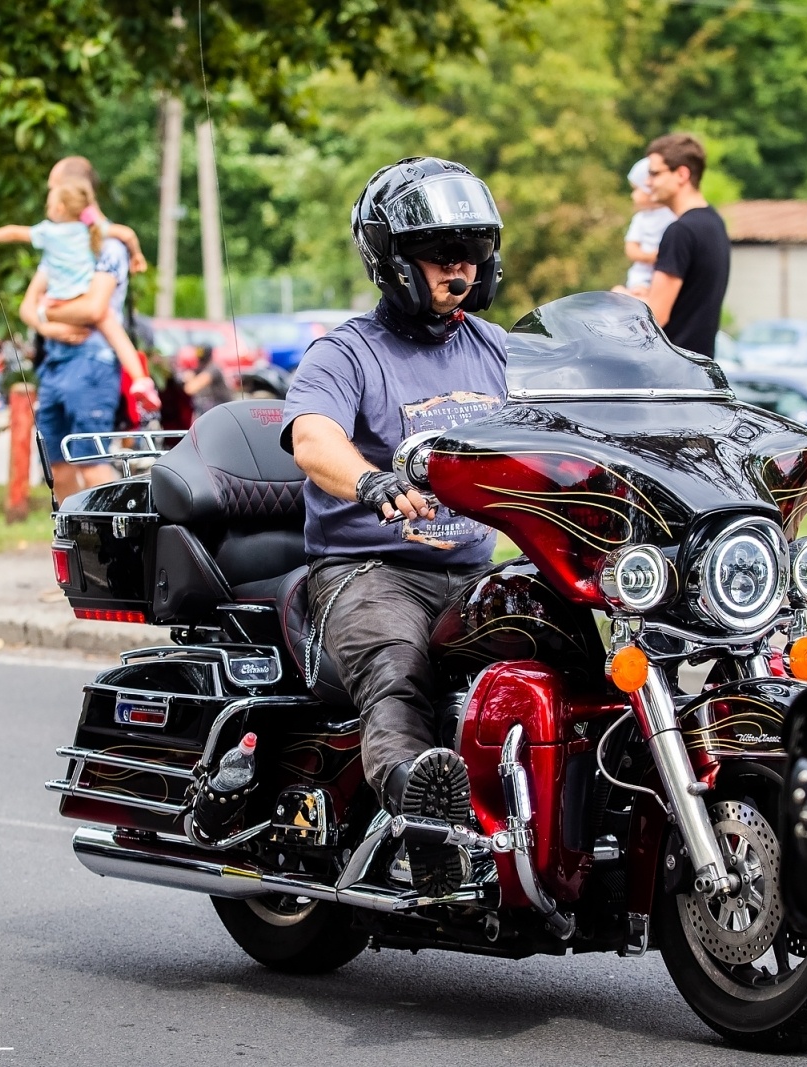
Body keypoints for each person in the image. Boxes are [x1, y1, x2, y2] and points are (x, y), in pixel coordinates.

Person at [281, 157, 507, 896]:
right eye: (442, 253)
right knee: (398, 667)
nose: (460, 268)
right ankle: (424, 814)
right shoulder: (347, 352)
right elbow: (313, 437)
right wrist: (372, 479)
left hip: (476, 570)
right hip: (368, 569)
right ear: (394, 259)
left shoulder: (498, 350)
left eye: (470, 252)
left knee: (576, 650)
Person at [16, 157, 156, 503]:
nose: (49, 197)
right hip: (55, 364)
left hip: (92, 364)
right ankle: (77, 542)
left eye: (52, 188)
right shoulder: (63, 245)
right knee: (58, 466)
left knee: (92, 462)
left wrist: (48, 309)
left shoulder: (107, 245)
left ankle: (116, 542)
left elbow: (96, 309)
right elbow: (26, 307)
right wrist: (48, 326)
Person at [0, 177, 146, 372]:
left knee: (56, 318)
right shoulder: (92, 231)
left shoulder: (49, 232)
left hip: (56, 301)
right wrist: (136, 255)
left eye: (48, 205)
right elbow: (128, 234)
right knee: (112, 328)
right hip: (82, 299)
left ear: (60, 208)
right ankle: (140, 378)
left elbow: (13, 232)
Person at [642, 133, 731, 357]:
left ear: (681, 174)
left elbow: (657, 316)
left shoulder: (680, 231)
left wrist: (622, 299)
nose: (647, 182)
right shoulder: (714, 223)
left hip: (673, 374)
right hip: (700, 371)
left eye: (654, 173)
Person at [620, 158, 676, 298]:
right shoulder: (641, 218)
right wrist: (650, 257)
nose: (633, 195)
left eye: (636, 190)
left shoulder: (672, 215)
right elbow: (631, 248)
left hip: (665, 277)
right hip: (641, 277)